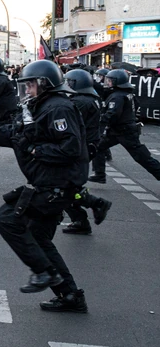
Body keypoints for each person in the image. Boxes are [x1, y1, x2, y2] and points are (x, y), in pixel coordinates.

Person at [0, 60, 88, 312]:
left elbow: (70, 148)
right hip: (48, 182)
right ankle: (69, 295)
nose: (26, 90)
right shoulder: (38, 107)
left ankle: (42, 272)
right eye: (24, 85)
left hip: (55, 184)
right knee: (39, 237)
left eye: (30, 85)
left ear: (44, 84)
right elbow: (15, 135)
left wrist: (36, 149)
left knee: (7, 218)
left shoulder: (58, 108)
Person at [61, 69, 112, 235]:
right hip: (86, 146)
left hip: (79, 148)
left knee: (62, 186)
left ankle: (94, 204)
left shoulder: (81, 101)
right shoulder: (91, 98)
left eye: (69, 82)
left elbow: (70, 123)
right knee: (68, 185)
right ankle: (81, 219)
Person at [90, 68, 160, 183]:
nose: (108, 83)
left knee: (143, 158)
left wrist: (100, 123)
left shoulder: (117, 96)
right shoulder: (127, 93)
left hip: (125, 132)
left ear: (117, 82)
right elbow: (136, 105)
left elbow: (112, 114)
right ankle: (99, 174)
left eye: (110, 80)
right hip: (119, 130)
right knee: (98, 147)